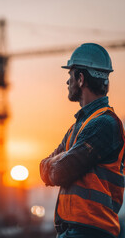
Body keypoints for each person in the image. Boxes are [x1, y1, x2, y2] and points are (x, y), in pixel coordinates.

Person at [40, 43, 125, 238]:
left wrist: (56, 163)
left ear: (80, 78)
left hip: (91, 231)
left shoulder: (105, 124)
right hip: (72, 231)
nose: (67, 82)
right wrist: (55, 164)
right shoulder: (78, 127)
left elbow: (60, 172)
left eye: (70, 76)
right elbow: (43, 168)